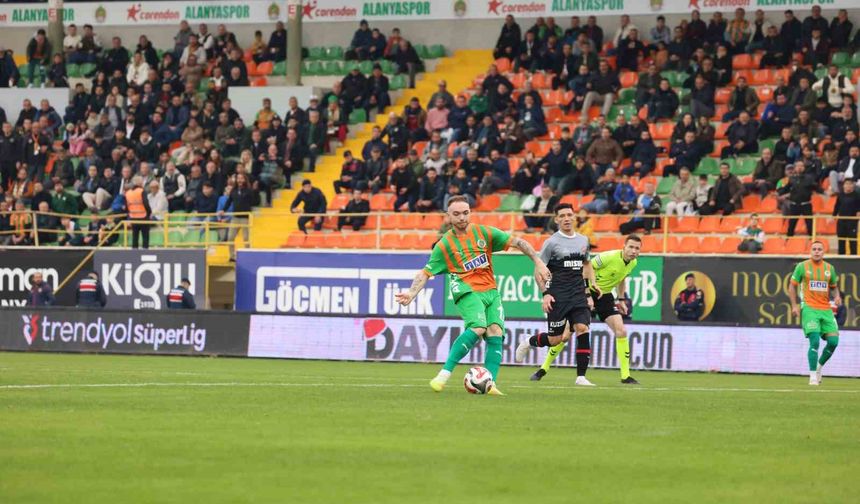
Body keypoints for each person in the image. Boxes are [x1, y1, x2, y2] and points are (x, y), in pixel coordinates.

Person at [395, 195, 551, 395]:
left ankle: (490, 383)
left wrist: (538, 262)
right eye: (457, 214)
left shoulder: (483, 233)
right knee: (478, 327)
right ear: (448, 216)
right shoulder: (445, 245)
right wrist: (411, 293)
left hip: (490, 290)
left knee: (495, 331)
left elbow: (518, 242)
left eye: (466, 212)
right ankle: (443, 375)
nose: (462, 217)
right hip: (466, 290)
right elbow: (425, 273)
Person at [527, 234, 643, 384]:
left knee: (621, 330)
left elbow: (622, 279)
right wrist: (587, 291)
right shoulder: (608, 257)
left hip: (605, 296)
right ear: (624, 247)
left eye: (637, 248)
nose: (633, 251)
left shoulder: (633, 263)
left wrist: (620, 299)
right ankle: (543, 369)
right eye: (631, 247)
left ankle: (626, 376)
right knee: (564, 336)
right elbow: (586, 267)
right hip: (584, 293)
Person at [514, 203, 597, 386]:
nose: (566, 218)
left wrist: (589, 290)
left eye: (569, 214)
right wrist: (545, 294)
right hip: (558, 295)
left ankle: (581, 377)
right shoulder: (551, 242)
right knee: (555, 339)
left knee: (582, 328)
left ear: (574, 217)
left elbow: (586, 265)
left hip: (577, 295)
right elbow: (538, 269)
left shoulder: (583, 240)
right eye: (562, 215)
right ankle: (529, 341)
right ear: (557, 219)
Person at [788, 241, 841, 386]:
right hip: (809, 308)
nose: (817, 251)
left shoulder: (830, 268)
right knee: (815, 341)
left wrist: (836, 296)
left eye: (819, 249)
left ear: (823, 252)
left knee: (833, 342)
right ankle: (812, 377)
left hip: (826, 309)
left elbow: (834, 287)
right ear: (810, 251)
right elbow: (792, 287)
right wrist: (794, 305)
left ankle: (818, 367)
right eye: (814, 249)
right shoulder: (802, 267)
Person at [832, 178, 860, 255]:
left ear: (853, 185)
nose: (848, 186)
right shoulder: (840, 195)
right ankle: (841, 257)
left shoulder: (857, 195)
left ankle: (854, 259)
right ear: (843, 185)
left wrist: (858, 212)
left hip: (852, 221)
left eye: (850, 184)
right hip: (841, 221)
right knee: (841, 241)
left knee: (852, 241)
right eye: (846, 184)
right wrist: (834, 215)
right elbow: (837, 206)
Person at [126, 176, 151, 249]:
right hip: (143, 217)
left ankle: (134, 254)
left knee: (135, 236)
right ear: (140, 183)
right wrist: (149, 212)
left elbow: (127, 205)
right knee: (145, 237)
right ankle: (145, 252)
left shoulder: (128, 193)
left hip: (133, 217)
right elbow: (146, 203)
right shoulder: (141, 191)